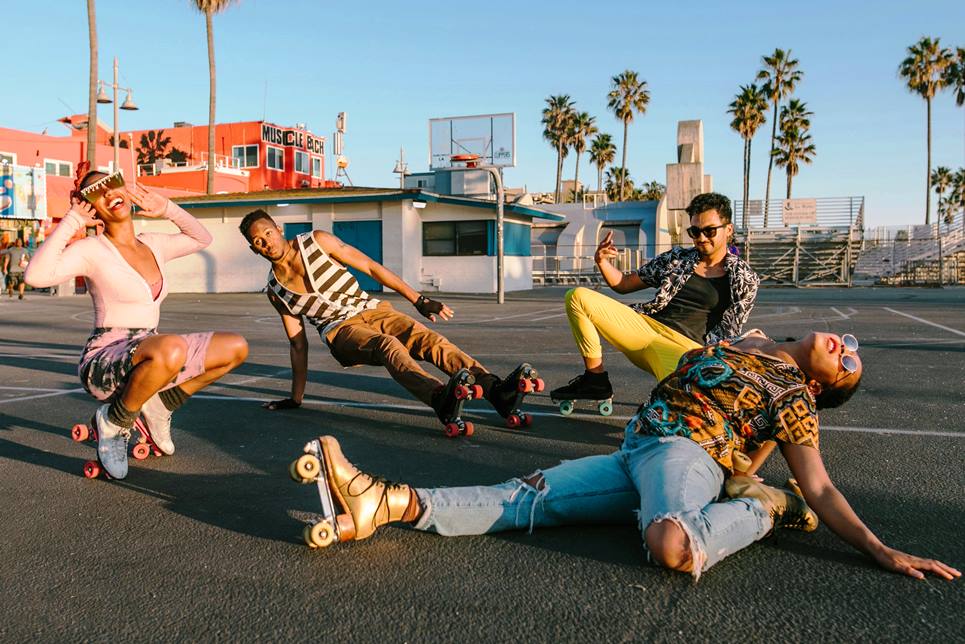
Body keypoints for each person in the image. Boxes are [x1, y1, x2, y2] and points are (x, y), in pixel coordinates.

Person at [298, 330, 960, 582]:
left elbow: (818, 486)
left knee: (672, 545)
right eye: (846, 341)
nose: (841, 343)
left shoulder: (793, 395)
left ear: (822, 386)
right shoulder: (746, 346)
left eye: (847, 359)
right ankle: (384, 503)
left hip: (683, 456)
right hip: (635, 451)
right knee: (523, 495)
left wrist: (880, 550)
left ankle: (760, 513)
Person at [25, 164, 249, 479]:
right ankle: (114, 422)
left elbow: (202, 238)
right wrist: (73, 219)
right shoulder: (91, 250)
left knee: (235, 347)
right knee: (170, 347)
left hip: (151, 353)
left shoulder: (153, 243)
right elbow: (35, 276)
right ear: (92, 207)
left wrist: (168, 208)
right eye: (96, 193)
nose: (108, 193)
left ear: (124, 189)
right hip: (104, 360)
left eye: (112, 183)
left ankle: (159, 405)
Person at [239, 209, 539, 431]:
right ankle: (439, 397)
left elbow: (371, 268)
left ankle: (496, 391)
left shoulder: (317, 242)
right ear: (254, 250)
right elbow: (298, 344)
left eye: (268, 233)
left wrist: (418, 300)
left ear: (278, 228)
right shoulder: (277, 291)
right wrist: (296, 398)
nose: (266, 243)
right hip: (340, 332)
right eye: (258, 242)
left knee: (427, 339)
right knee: (388, 346)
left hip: (372, 309)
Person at [551, 192, 760, 406]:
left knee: (682, 408)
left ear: (729, 229)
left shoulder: (743, 279)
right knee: (577, 297)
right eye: (695, 231)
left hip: (684, 350)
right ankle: (595, 380)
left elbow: (731, 334)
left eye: (709, 230)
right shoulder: (677, 259)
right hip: (645, 328)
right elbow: (623, 284)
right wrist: (602, 262)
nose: (701, 237)